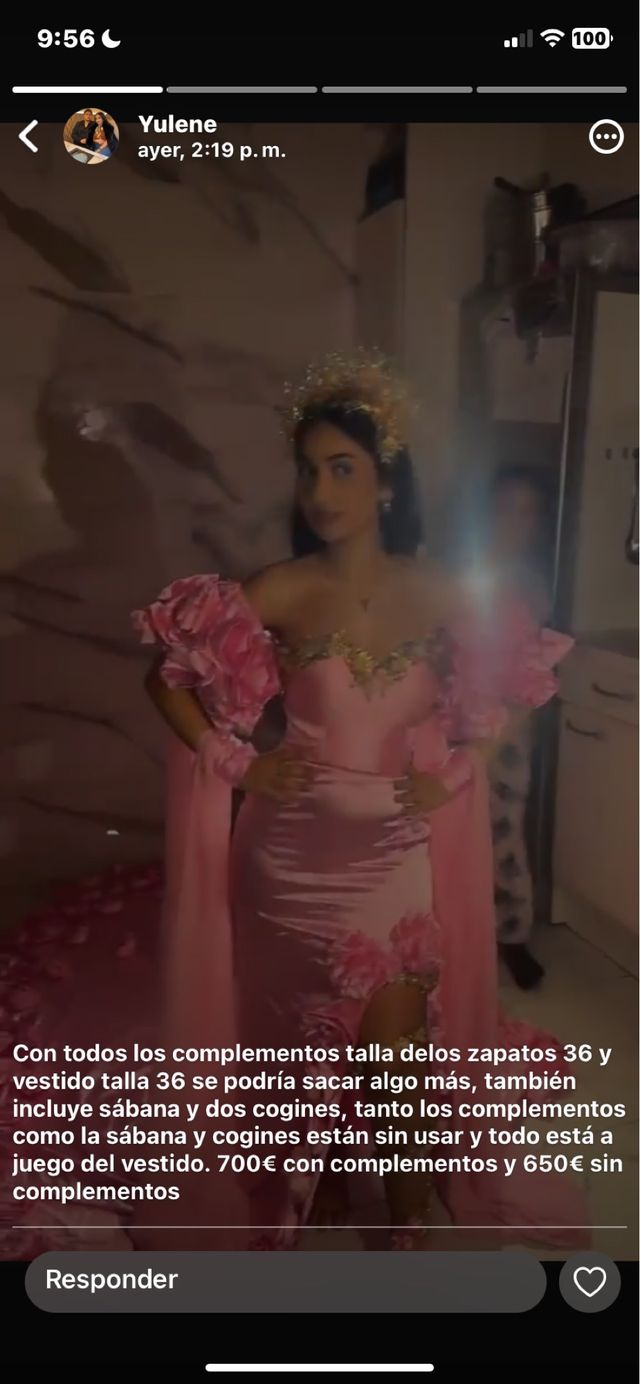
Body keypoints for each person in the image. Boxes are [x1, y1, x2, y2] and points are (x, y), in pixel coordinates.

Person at [0, 354, 587, 1258]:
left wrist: (460, 769)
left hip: (397, 852)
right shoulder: (279, 587)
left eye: (342, 468)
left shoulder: (442, 593)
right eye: (310, 471)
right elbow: (166, 679)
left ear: (386, 482)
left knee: (396, 1044)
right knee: (296, 1043)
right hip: (287, 858)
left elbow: (515, 684)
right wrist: (237, 763)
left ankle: (406, 1226)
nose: (320, 491)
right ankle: (312, 1182)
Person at [482, 465, 554, 991]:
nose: (513, 522)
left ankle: (513, 936)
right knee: (449, 830)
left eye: (526, 513)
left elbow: (533, 663)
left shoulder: (530, 582)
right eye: (505, 509)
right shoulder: (455, 570)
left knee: (505, 833)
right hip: (452, 720)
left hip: (509, 725)